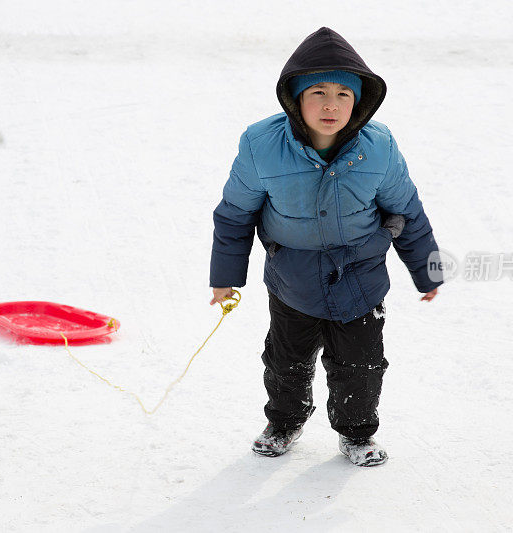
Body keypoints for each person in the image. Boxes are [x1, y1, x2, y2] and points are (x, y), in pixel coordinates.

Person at [209, 27, 442, 467]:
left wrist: (426, 271)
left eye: (343, 94)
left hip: (360, 279)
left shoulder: (379, 148)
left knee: (361, 365)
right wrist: (225, 278)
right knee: (285, 362)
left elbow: (405, 209)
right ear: (294, 99)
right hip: (291, 279)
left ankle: (357, 433)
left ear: (360, 101)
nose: (330, 105)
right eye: (317, 92)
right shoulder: (261, 145)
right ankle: (284, 422)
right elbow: (235, 213)